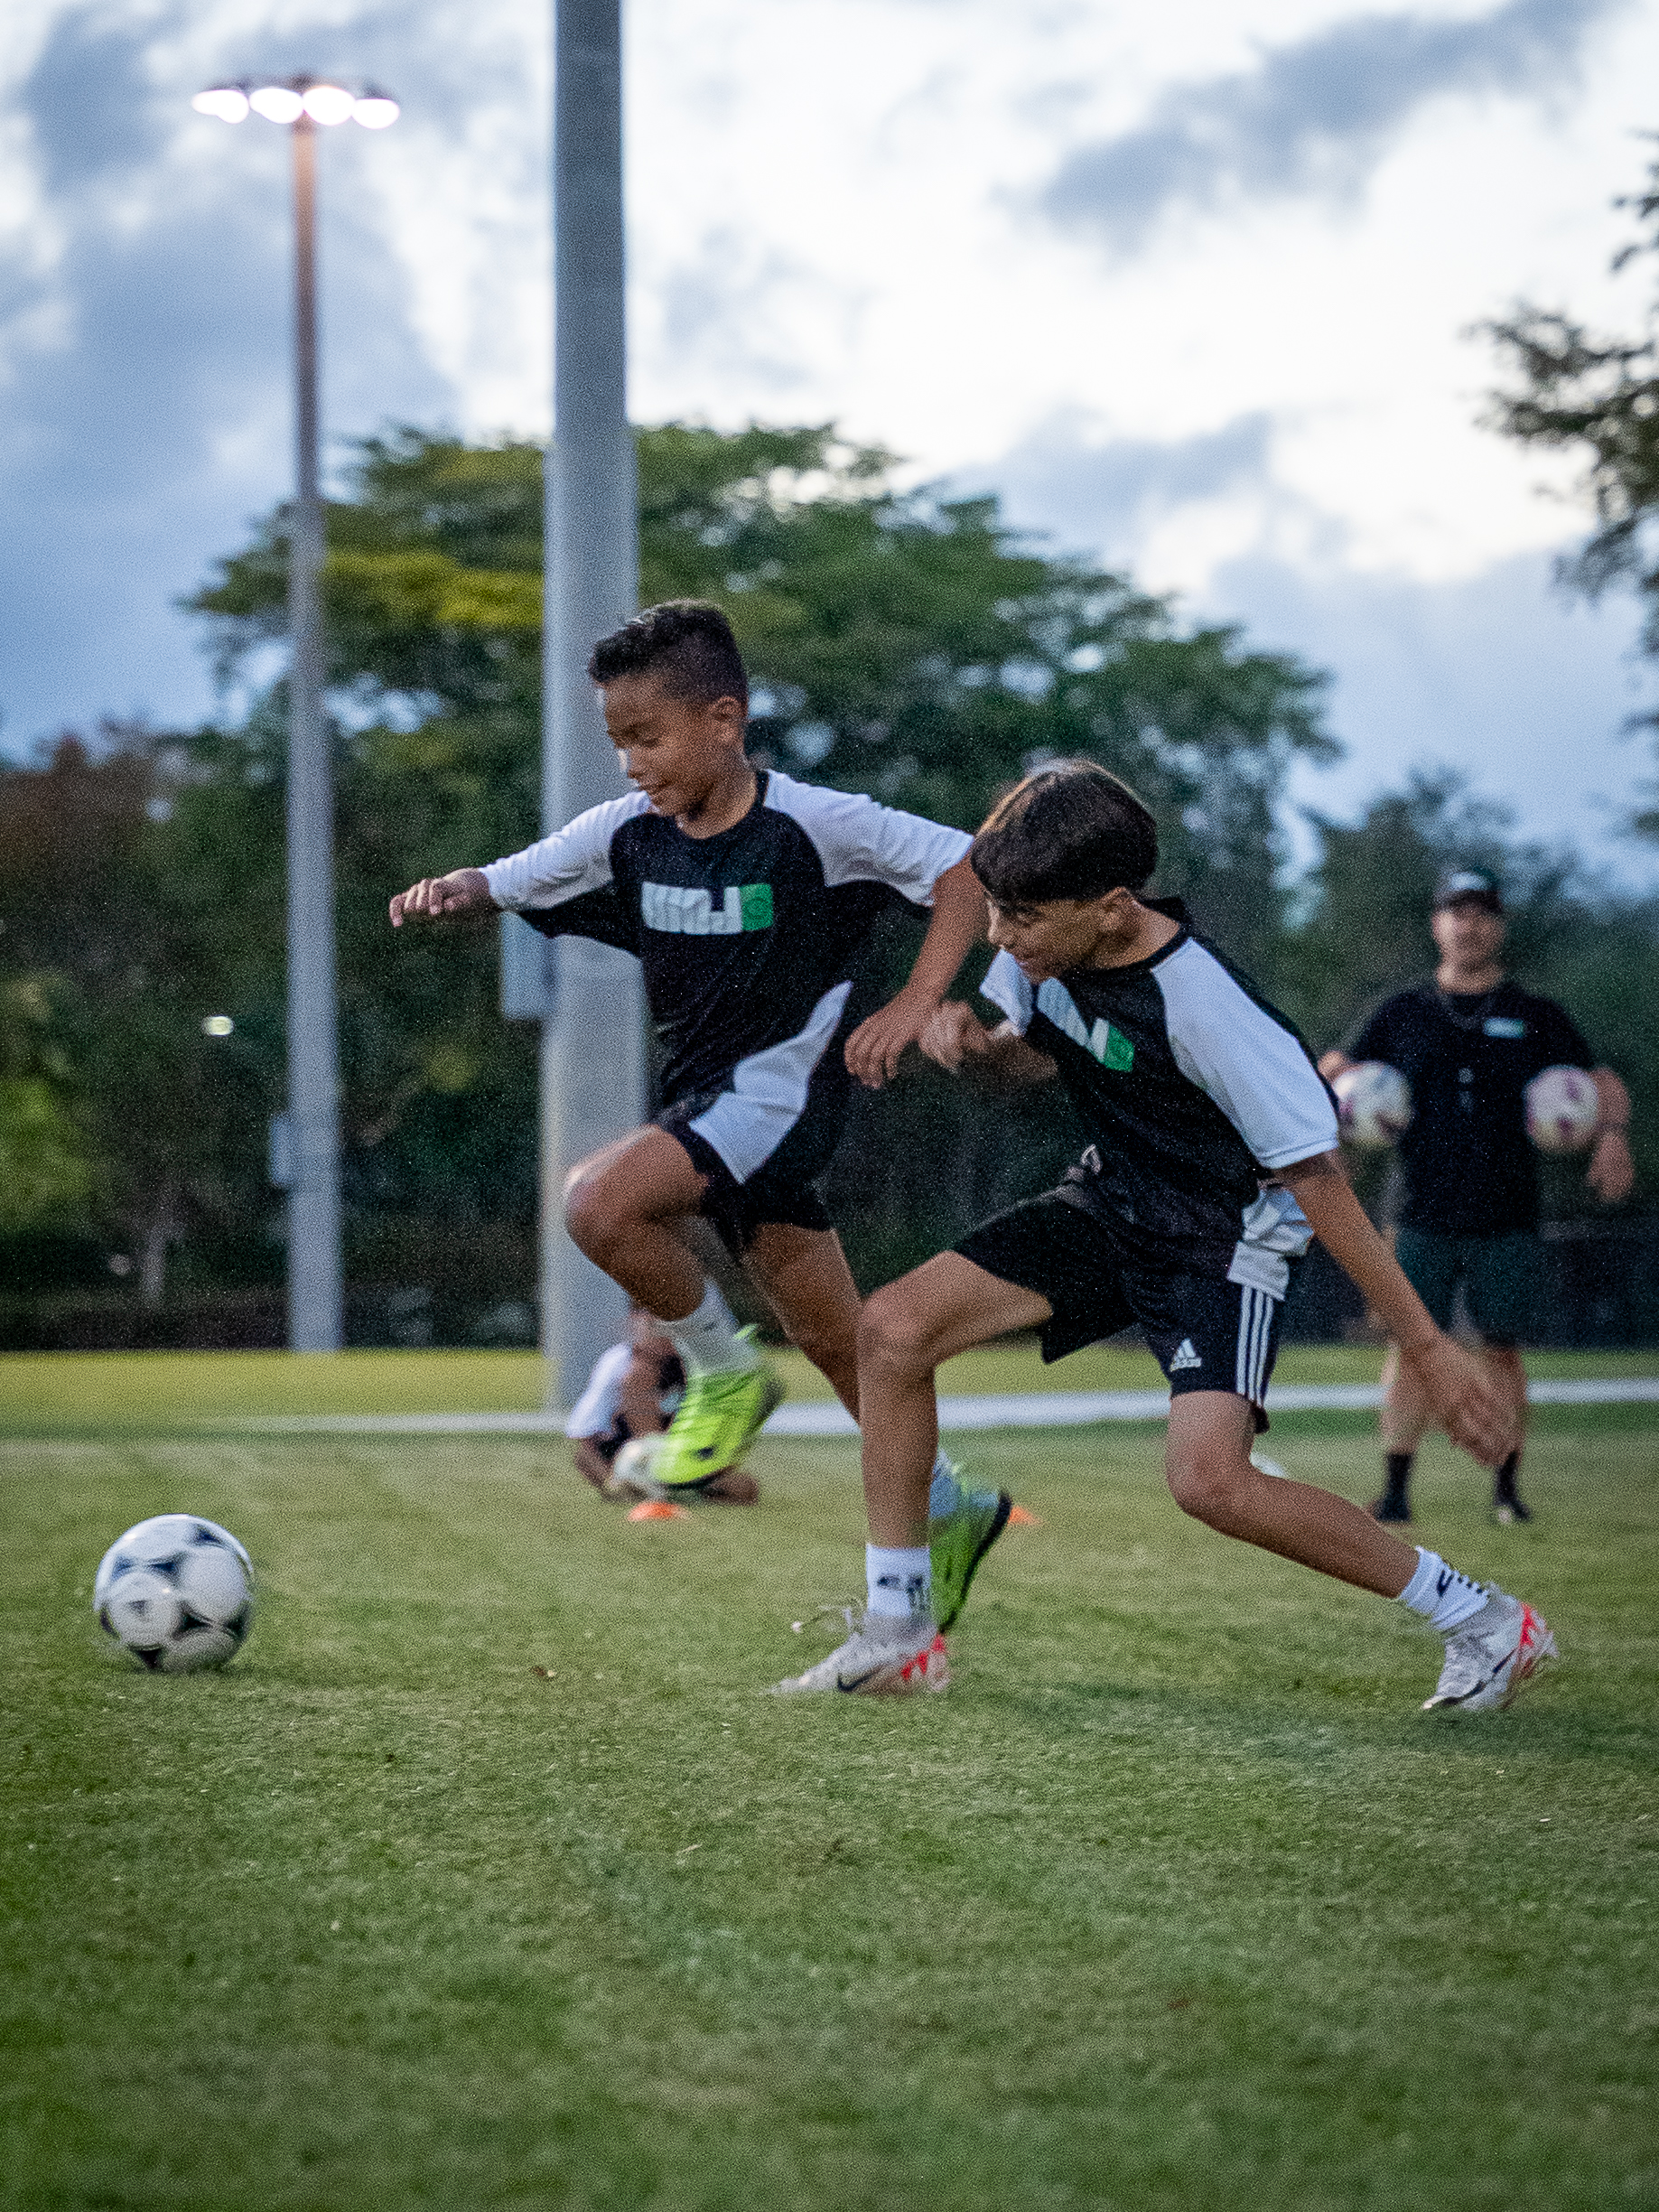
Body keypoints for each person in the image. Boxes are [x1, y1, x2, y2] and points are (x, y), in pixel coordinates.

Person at [775, 762, 1555, 1715]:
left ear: (1109, 909)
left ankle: (1483, 1620)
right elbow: (1031, 1058)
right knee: (892, 1329)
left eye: (1018, 917)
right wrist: (980, 1055)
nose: (997, 934)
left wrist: (1426, 1348)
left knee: (1209, 1482)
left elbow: (1317, 1176)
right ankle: (899, 1633)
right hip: (1115, 1199)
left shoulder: (1203, 1006)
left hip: (1228, 1233)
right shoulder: (1037, 948)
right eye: (994, 909)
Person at [391, 601, 1011, 1629]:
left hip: (781, 1096)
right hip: (712, 1106)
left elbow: (966, 868)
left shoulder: (816, 824)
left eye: (649, 736)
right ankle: (949, 1506)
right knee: (839, 1343)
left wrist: (915, 998)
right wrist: (453, 891)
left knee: (597, 1205)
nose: (632, 761)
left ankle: (723, 1378)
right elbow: (516, 875)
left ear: (726, 719)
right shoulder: (632, 834)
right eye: (617, 741)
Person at [1320, 867, 1633, 1526]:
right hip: (1421, 1213)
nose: (1469, 924)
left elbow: (1601, 1079)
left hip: (1507, 1212)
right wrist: (1328, 1124)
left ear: (1499, 925)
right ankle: (1396, 1489)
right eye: (1456, 911)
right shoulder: (1400, 1012)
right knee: (1409, 1345)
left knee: (1502, 1349)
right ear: (1437, 923)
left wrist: (1610, 1134)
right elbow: (1333, 1069)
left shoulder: (1534, 1014)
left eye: (1482, 912)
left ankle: (1506, 1489)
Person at [566, 1309, 758, 1503]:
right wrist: (612, 1479)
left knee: (744, 1489)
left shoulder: (702, 1366)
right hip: (634, 1453)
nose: (666, 1333)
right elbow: (585, 1435)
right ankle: (650, 1487)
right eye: (657, 1325)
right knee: (587, 1458)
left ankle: (673, 1490)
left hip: (682, 1454)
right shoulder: (622, 1364)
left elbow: (721, 1431)